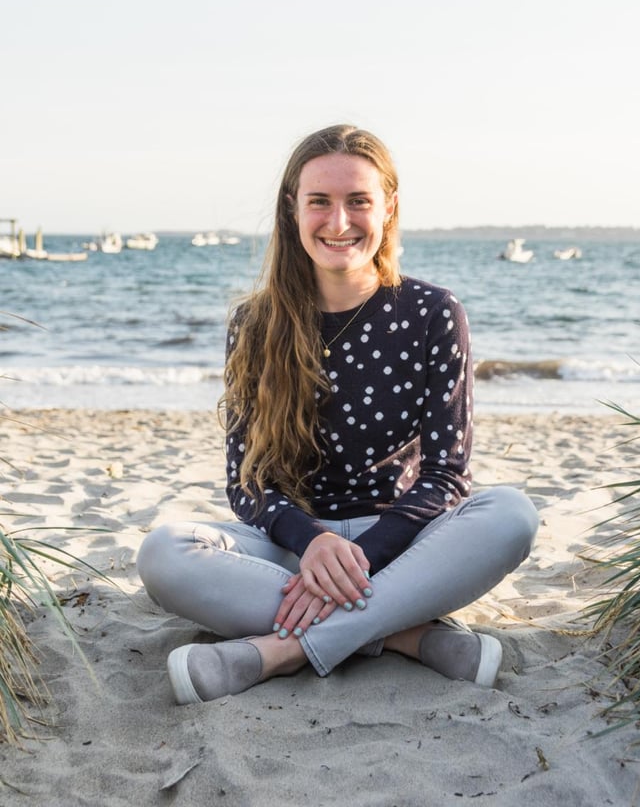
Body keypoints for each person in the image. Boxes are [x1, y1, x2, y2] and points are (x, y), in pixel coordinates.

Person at [137, 124, 539, 704]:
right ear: (293, 208)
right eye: (320, 201)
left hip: (405, 546)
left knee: (512, 514)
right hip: (293, 549)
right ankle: (403, 634)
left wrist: (363, 558)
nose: (339, 221)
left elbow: (447, 475)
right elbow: (248, 482)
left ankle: (280, 651)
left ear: (389, 207)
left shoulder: (432, 312)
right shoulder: (256, 323)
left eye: (358, 201)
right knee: (162, 554)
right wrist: (314, 544)